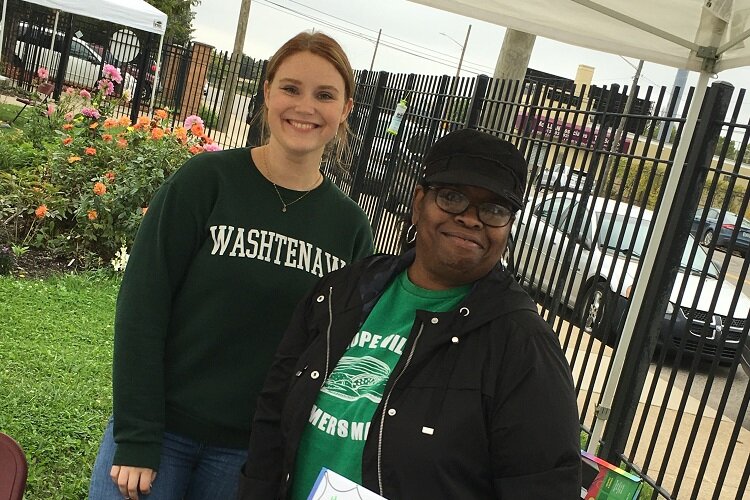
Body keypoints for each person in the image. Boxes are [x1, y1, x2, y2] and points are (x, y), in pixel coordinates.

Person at [88, 31, 374, 500]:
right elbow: (142, 307)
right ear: (266, 92)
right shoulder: (205, 182)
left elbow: (334, 357)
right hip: (162, 433)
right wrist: (138, 435)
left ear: (344, 110)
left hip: (248, 454)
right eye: (290, 88)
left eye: (325, 95)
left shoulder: (349, 228)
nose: (305, 106)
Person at [239, 128, 581, 499]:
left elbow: (544, 485)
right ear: (419, 203)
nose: (471, 218)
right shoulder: (343, 292)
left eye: (494, 209)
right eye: (452, 197)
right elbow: (274, 415)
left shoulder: (522, 344)